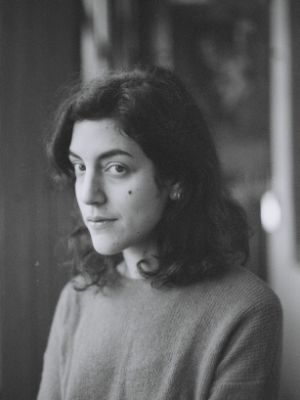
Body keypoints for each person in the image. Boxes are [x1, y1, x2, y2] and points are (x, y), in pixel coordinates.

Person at [37, 66, 282, 400]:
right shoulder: (77, 298)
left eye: (116, 168)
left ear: (176, 179)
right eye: (80, 167)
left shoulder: (245, 309)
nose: (88, 194)